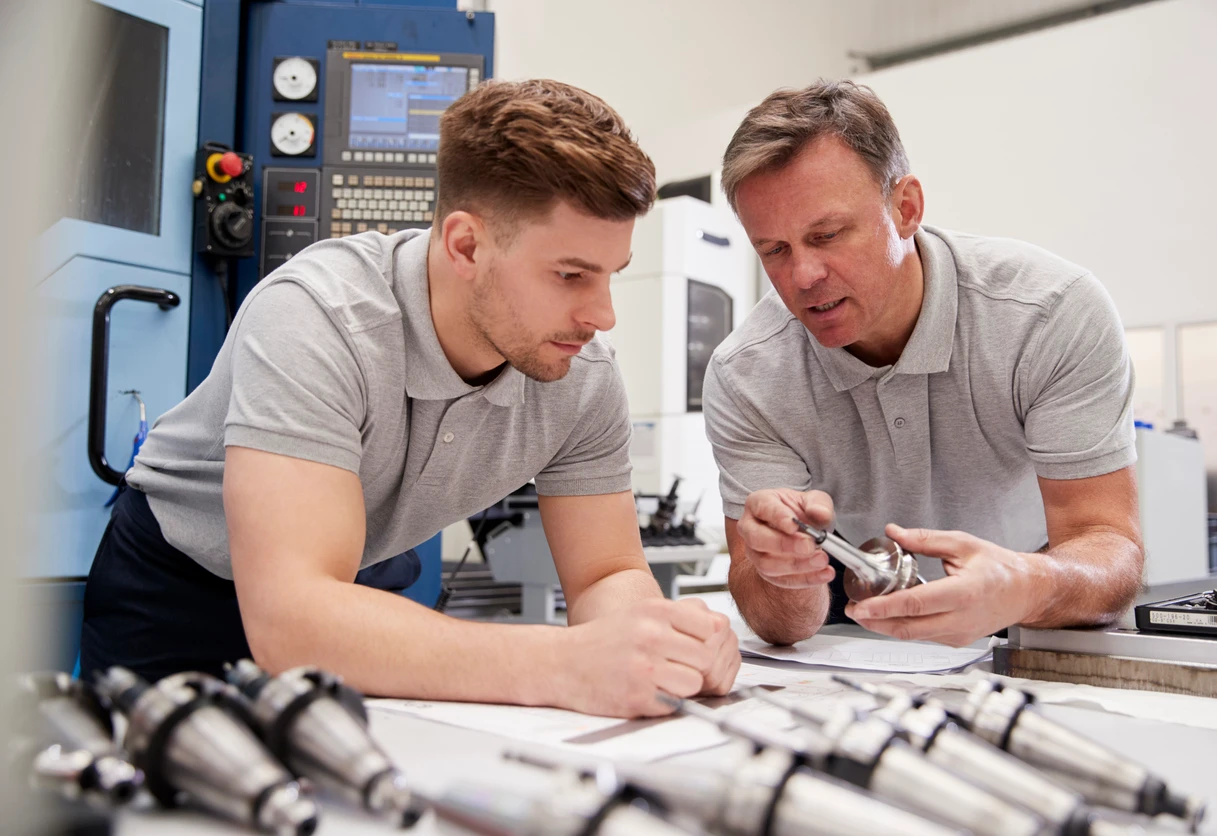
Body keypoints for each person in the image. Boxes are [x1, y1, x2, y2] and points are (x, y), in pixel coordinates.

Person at [80, 79, 740, 718]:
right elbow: (294, 623)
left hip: (345, 589)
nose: (602, 315)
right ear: (466, 245)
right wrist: (565, 661)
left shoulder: (583, 376)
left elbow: (604, 576)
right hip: (183, 587)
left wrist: (662, 645)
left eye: (610, 276)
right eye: (571, 275)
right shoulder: (317, 316)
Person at [705, 79, 1143, 648]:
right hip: (866, 634)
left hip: (1041, 616)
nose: (803, 276)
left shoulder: (1049, 313)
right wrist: (780, 572)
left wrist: (1022, 585)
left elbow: (1107, 546)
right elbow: (779, 622)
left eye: (828, 235)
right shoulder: (748, 375)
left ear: (905, 208)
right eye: (774, 251)